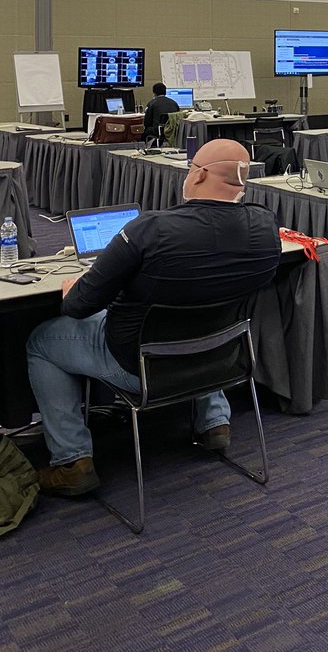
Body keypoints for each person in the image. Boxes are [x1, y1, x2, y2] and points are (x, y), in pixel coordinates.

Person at [26, 140, 282, 498]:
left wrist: (73, 290)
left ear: (200, 173)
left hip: (139, 366)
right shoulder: (264, 223)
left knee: (41, 340)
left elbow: (79, 307)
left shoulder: (149, 229)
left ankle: (72, 462)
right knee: (206, 314)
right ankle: (214, 423)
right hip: (222, 358)